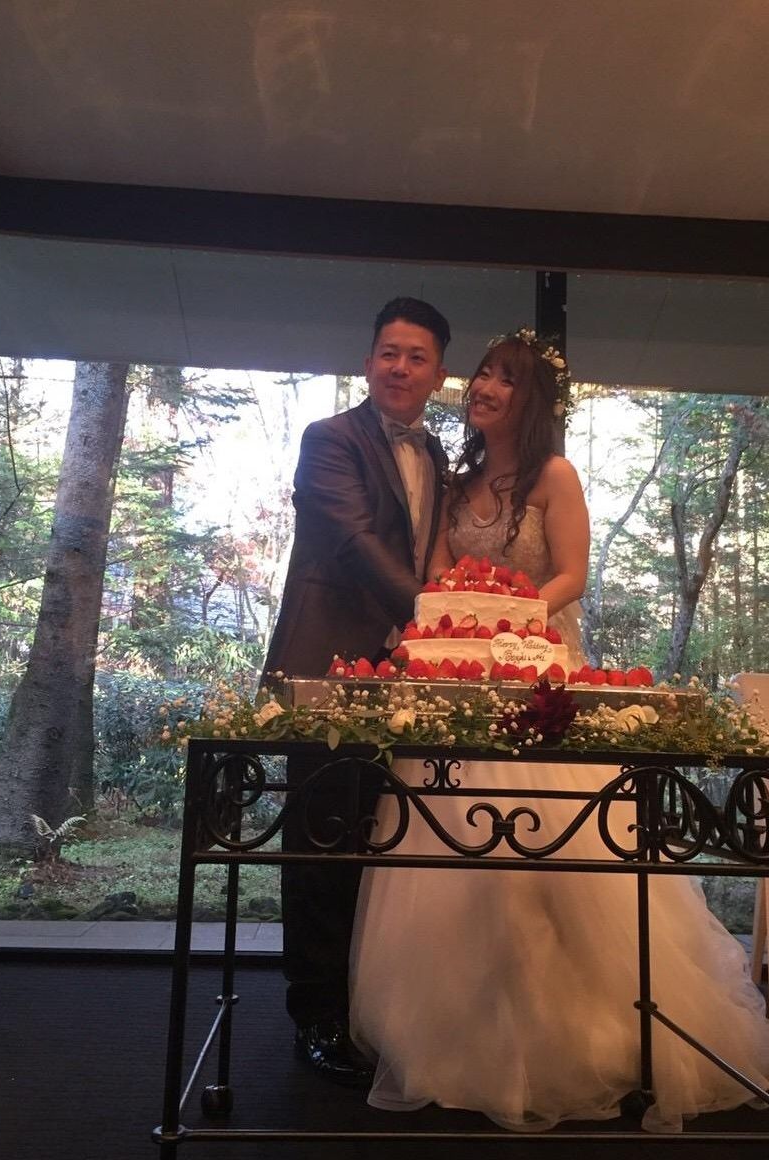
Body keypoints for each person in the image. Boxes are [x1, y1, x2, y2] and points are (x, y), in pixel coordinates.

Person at [349, 329, 769, 1132]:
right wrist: (460, 613)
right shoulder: (458, 479)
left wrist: (507, 618)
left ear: (532, 398)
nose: (485, 387)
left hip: (541, 679)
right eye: (482, 373)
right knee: (451, 868)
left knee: (552, 864)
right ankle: (456, 1042)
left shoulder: (556, 475)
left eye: (505, 378)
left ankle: (580, 1041)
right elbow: (437, 572)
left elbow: (572, 573)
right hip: (460, 689)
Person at [263, 297, 451, 1086]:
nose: (399, 368)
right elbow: (351, 538)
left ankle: (370, 1008)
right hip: (327, 662)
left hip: (403, 672)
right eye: (388, 353)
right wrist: (436, 613)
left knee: (381, 843)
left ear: (438, 373)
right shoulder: (329, 438)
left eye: (416, 357)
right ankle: (315, 1016)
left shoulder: (437, 453)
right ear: (369, 361)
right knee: (319, 841)